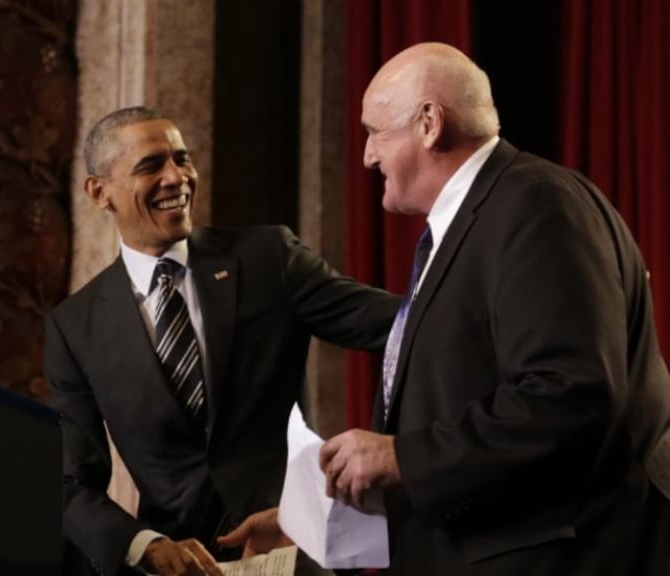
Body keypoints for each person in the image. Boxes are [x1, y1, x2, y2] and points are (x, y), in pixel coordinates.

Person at [229, 42, 670, 575]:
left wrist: (399, 457)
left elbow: (568, 396)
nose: (367, 155)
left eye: (374, 132)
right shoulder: (473, 222)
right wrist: (320, 519)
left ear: (429, 123)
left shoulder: (536, 206)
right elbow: (463, 423)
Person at [46, 106, 400, 576]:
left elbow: (394, 324)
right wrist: (144, 545)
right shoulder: (75, 326)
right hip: (176, 567)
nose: (177, 178)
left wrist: (487, 298)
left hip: (296, 554)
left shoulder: (267, 258)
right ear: (99, 191)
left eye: (182, 159)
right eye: (151, 165)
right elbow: (72, 482)